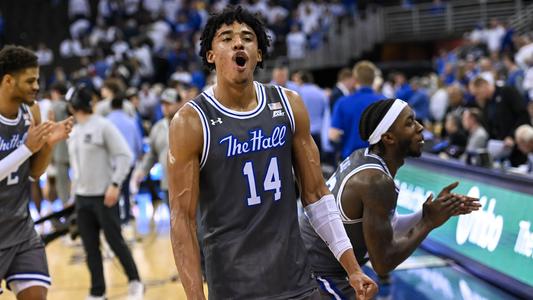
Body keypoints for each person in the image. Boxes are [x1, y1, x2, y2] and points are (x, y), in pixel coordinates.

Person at [168, 6, 377, 300]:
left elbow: (316, 195)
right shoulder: (191, 122)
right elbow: (182, 219)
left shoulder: (288, 104)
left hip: (296, 280)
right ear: (210, 55)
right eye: (226, 38)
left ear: (260, 53)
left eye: (248, 38)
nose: (238, 43)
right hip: (233, 287)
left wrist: (353, 268)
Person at [300, 99, 481, 299]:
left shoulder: (364, 158)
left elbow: (384, 227)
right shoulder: (375, 181)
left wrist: (426, 214)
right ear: (388, 137)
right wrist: (428, 223)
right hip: (316, 273)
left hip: (313, 265)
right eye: (410, 123)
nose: (420, 128)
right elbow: (383, 263)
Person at [0, 45, 73, 300]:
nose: (36, 86)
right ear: (8, 80)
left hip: (20, 228)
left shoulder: (32, 112)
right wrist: (26, 148)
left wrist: (48, 146)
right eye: (30, 80)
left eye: (38, 80)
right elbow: (24, 153)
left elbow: (33, 174)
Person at [66, 84, 143, 300]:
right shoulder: (74, 131)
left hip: (104, 197)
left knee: (116, 242)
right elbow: (77, 167)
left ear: (72, 106)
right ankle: (97, 291)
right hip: (82, 199)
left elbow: (125, 156)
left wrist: (115, 184)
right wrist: (73, 196)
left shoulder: (103, 126)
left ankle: (135, 282)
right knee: (90, 248)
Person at [132, 88, 183, 204]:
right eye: (163, 104)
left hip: (190, 184)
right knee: (174, 220)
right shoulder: (157, 128)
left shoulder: (190, 124)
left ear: (179, 103)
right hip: (167, 184)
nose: (165, 107)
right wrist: (142, 170)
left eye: (169, 104)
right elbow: (152, 154)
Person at [330, 61, 384, 159]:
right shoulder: (385, 102)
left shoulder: (343, 102)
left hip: (351, 160)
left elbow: (333, 135)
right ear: (373, 79)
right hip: (378, 160)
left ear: (355, 79)